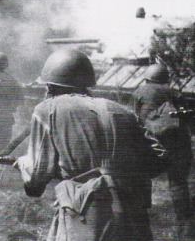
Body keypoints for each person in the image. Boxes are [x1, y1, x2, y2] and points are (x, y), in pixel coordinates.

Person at [12, 49, 164, 240]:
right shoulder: (122, 111)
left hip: (87, 214)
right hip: (133, 209)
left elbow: (36, 178)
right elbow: (159, 158)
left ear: (50, 86)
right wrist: (120, 177)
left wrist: (24, 163)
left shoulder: (47, 109)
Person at [133, 63, 194, 239]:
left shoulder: (139, 92)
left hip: (152, 141)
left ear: (147, 78)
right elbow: (186, 118)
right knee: (178, 183)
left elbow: (137, 118)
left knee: (140, 177)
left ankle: (140, 218)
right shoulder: (176, 93)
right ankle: (184, 225)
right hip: (179, 143)